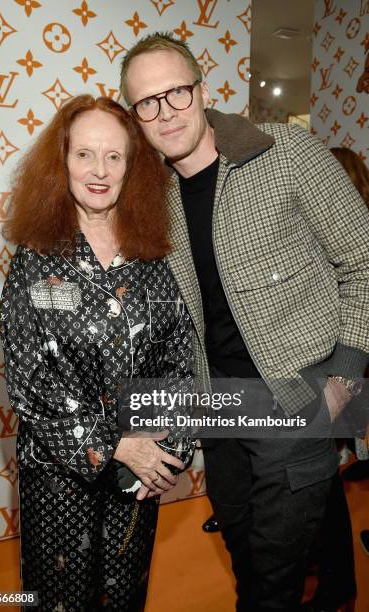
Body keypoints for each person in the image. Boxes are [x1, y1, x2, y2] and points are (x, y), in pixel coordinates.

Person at [119, 33, 369, 612]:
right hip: (218, 406)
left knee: (275, 573)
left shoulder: (287, 151)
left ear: (202, 91)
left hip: (298, 395)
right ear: (136, 116)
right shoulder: (153, 195)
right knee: (240, 544)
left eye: (176, 92)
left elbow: (362, 261)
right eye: (146, 102)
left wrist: (343, 381)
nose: (165, 111)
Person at [0, 95, 195, 611]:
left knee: (124, 591)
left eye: (114, 156)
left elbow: (180, 359)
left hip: (139, 469)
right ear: (60, 162)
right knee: (59, 597)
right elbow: (29, 378)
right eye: (84, 154)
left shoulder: (154, 252)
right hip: (58, 475)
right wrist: (115, 442)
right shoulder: (36, 258)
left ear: (133, 167)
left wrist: (165, 451)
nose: (99, 170)